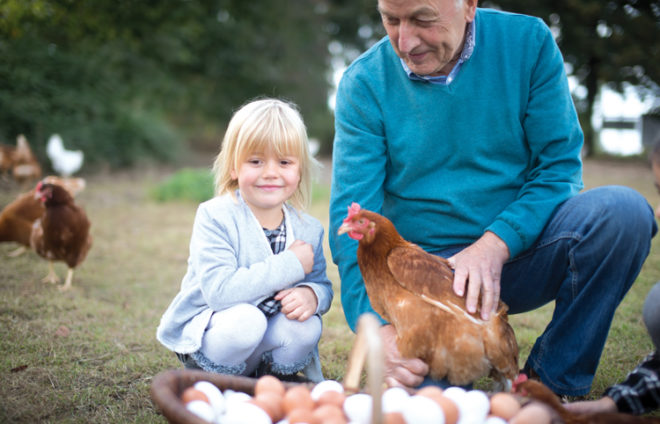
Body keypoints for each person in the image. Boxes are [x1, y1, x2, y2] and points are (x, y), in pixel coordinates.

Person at [328, 0, 657, 396]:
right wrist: (379, 328)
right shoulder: (363, 83)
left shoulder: (528, 43)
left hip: (522, 249)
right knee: (429, 403)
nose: (405, 40)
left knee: (622, 213)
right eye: (390, 20)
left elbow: (557, 167)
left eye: (422, 20)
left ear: (468, 6)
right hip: (429, 278)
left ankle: (551, 385)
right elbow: (353, 224)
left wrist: (495, 243)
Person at [157, 98, 333, 382]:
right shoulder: (215, 216)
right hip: (220, 335)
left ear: (299, 172)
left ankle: (268, 382)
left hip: (264, 339)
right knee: (246, 322)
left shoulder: (308, 229)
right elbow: (220, 291)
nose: (271, 172)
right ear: (234, 168)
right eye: (255, 161)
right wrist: (290, 264)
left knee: (306, 326)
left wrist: (312, 295)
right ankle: (209, 379)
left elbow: (321, 283)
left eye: (284, 162)